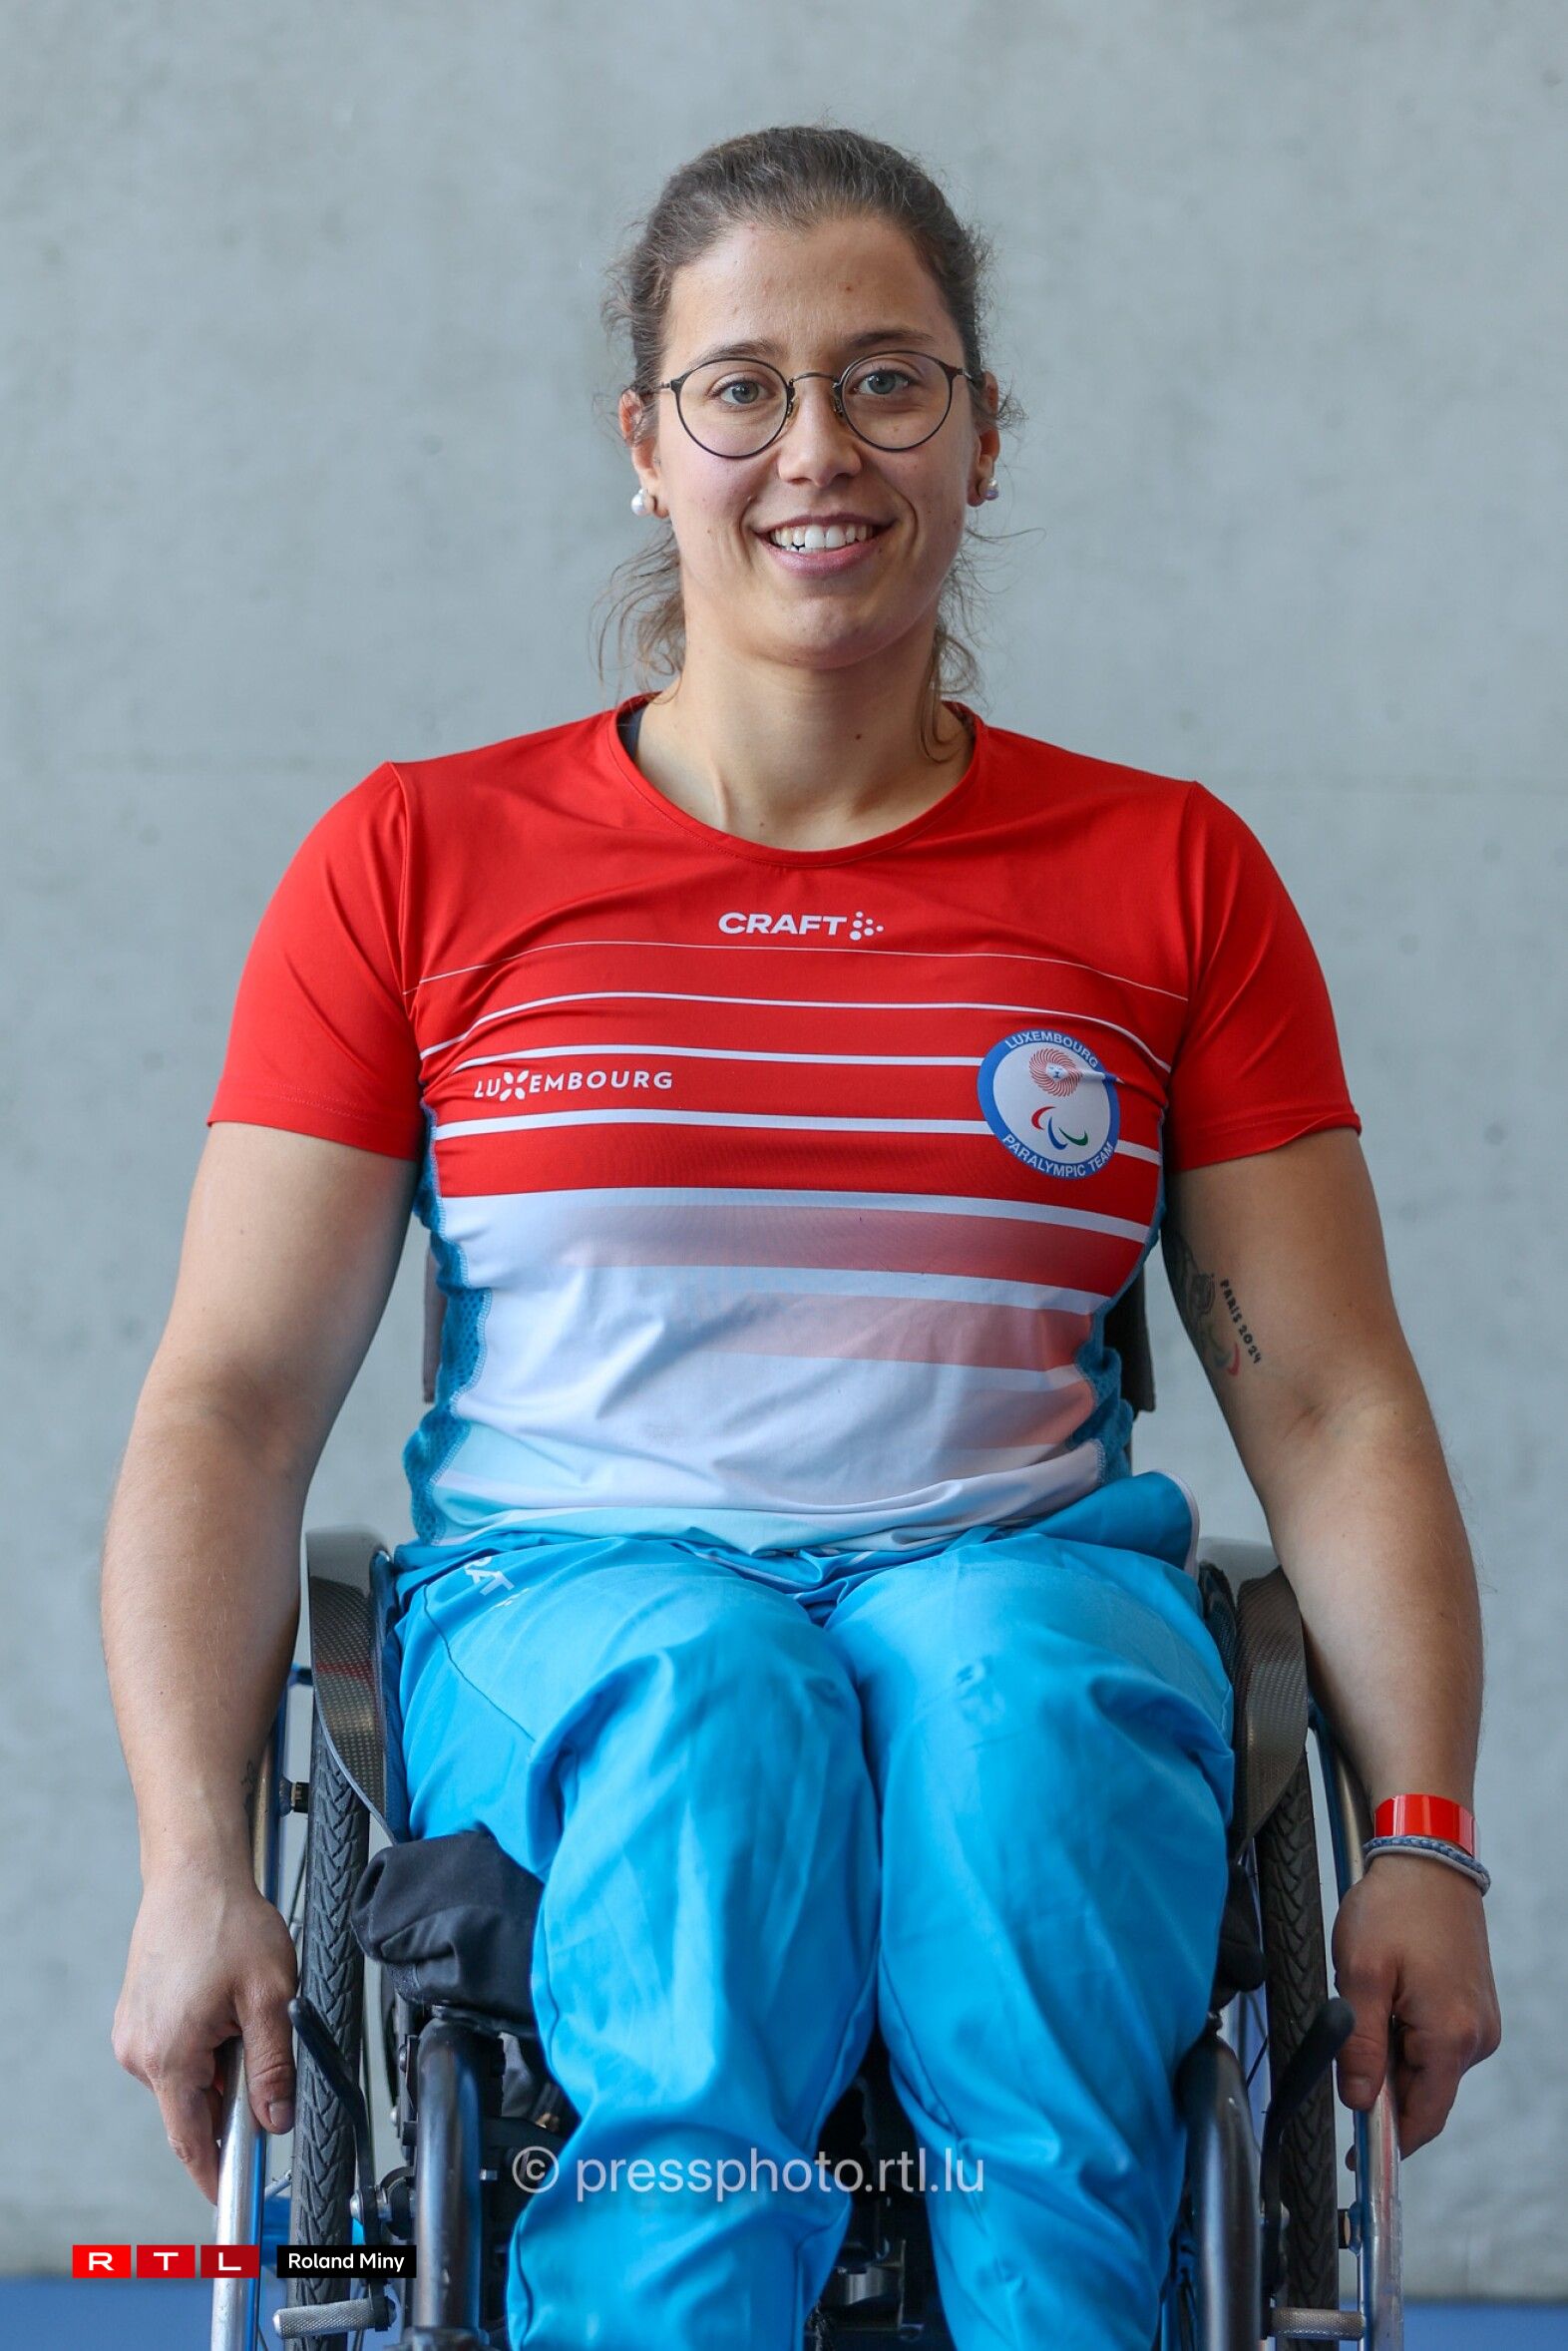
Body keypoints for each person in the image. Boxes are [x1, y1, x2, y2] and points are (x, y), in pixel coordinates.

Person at [103, 123, 1500, 2351]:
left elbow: (1329, 1403)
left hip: (1021, 1591)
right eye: (742, 386)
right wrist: (193, 1866)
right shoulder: (419, 863)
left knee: (1009, 1707)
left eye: (887, 379)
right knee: (713, 1703)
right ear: (644, 442)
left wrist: (1417, 1833)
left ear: (983, 432)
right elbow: (234, 1402)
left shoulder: (1169, 879)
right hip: (577, 1611)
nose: (818, 447)